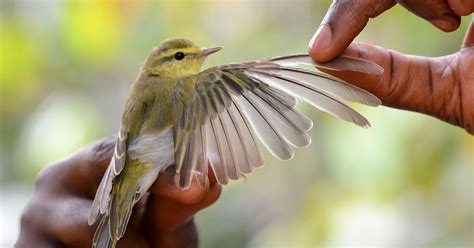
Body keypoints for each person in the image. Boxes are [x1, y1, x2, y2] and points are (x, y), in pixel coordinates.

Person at [16, 1, 473, 248]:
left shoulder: (151, 92)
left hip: (129, 173)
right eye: (183, 57)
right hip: (137, 170)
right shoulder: (189, 88)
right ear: (167, 65)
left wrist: (114, 186)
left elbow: (130, 150)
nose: (196, 60)